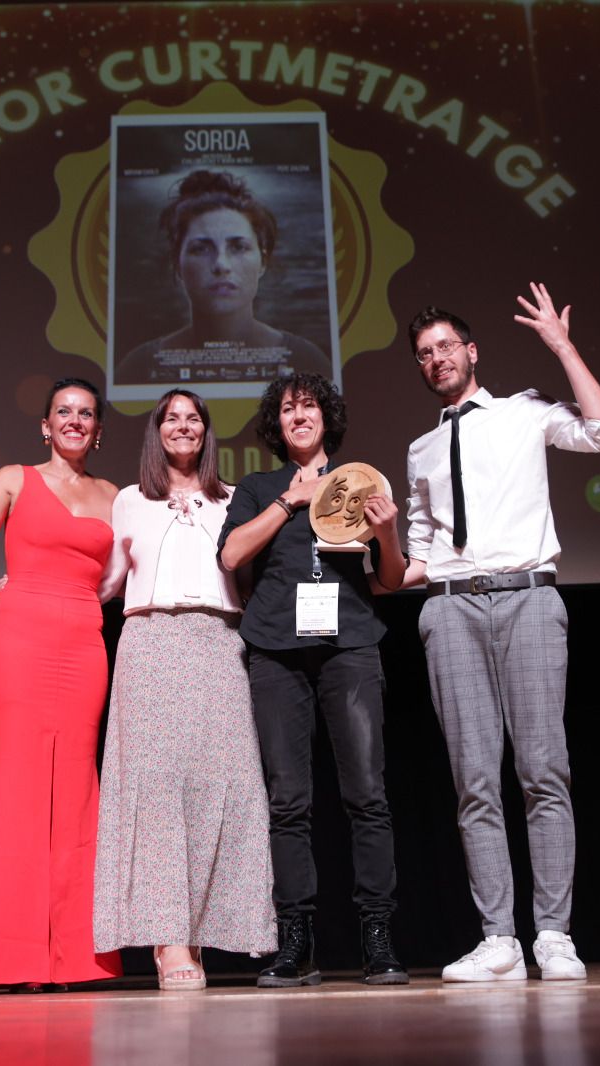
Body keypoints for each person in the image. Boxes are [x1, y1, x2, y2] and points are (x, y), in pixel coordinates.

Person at [396, 283, 600, 982]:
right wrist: (373, 532)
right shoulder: (420, 449)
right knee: (473, 781)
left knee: (542, 770)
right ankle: (499, 938)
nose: (437, 359)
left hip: (526, 599)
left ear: (471, 352)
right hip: (451, 608)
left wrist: (560, 345)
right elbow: (417, 554)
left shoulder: (525, 413)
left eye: (446, 347)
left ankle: (553, 933)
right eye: (424, 354)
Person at [216, 372, 410, 987]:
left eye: (310, 407)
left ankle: (377, 936)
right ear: (276, 424)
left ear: (327, 417)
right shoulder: (258, 486)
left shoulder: (360, 482)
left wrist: (386, 531)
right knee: (288, 802)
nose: (300, 416)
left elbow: (388, 580)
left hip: (350, 647)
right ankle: (295, 941)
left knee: (367, 796)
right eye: (288, 409)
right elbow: (230, 556)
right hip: (276, 651)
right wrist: (288, 502)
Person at [93, 389, 277, 990]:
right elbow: (109, 583)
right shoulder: (128, 501)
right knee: (156, 796)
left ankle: (202, 934)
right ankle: (170, 943)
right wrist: (42, 585)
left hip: (218, 645)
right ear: (156, 431)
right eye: (171, 418)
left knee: (220, 792)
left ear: (206, 432)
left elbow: (250, 577)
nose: (182, 426)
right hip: (149, 644)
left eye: (193, 418)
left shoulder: (233, 500)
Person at [0, 378, 122, 990]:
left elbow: (120, 575)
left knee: (77, 796)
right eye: (63, 412)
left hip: (82, 644)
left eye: (85, 414)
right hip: (19, 643)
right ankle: (9, 958)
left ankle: (75, 959)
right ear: (46, 425)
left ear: (98, 430)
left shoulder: (114, 495)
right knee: (16, 793)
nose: (74, 421)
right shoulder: (15, 478)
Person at [117, 170, 332, 385]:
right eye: (201, 249)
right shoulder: (139, 367)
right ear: (178, 264)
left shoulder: (307, 362)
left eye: (238, 247)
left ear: (263, 262)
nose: (221, 264)